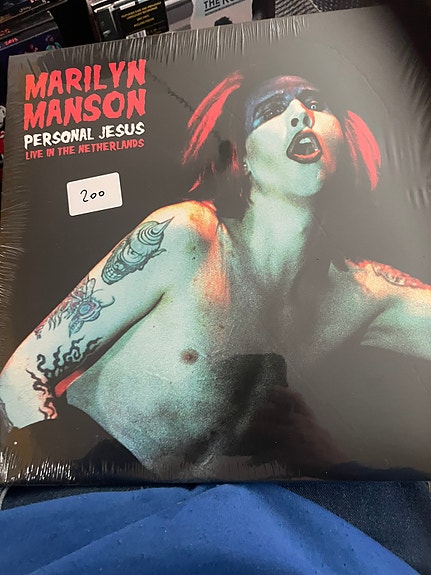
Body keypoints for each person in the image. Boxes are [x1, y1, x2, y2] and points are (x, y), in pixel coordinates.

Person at [1, 69, 430, 479]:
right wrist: (56, 487)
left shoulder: (364, 292)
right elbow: (23, 373)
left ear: (344, 142)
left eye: (315, 102)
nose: (301, 113)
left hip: (195, 509)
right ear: (243, 160)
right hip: (84, 473)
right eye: (271, 110)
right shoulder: (188, 234)